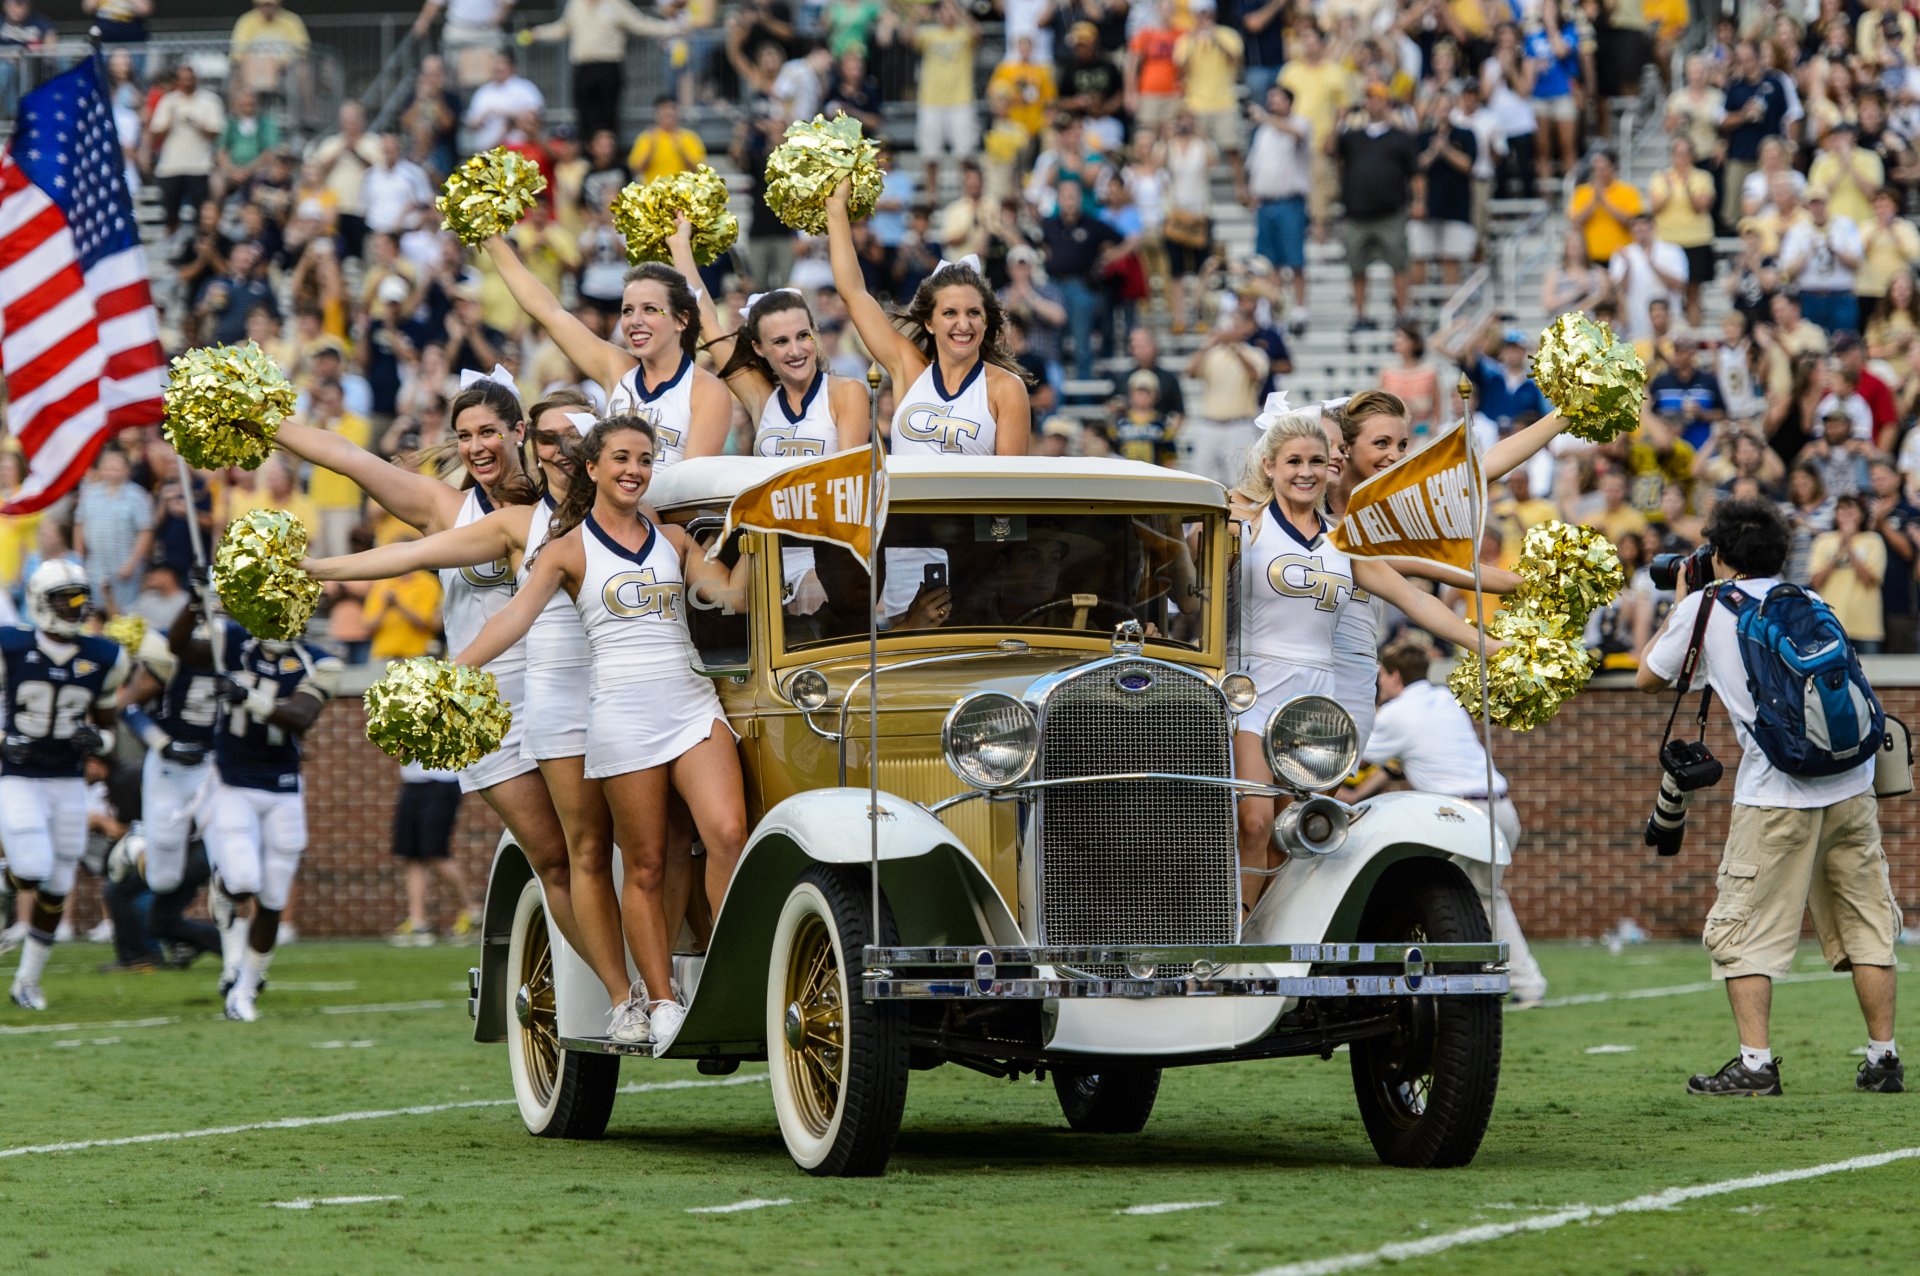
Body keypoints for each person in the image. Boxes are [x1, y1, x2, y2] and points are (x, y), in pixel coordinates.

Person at [303, 395, 641, 1024]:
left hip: (572, 695)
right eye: (464, 435)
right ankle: (620, 989)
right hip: (486, 709)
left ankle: (651, 975)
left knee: (612, 849)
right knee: (554, 859)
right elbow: (353, 466)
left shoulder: (582, 505)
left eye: (490, 431)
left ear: (520, 433)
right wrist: (262, 421)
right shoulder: (453, 509)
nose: (478, 445)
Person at [454, 416, 750, 1054]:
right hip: (619, 714)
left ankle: (736, 978)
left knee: (727, 834)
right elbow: (513, 618)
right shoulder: (564, 550)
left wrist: (759, 542)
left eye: (644, 460)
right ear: (592, 468)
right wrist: (453, 671)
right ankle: (659, 998)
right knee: (643, 864)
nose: (634, 470)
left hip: (692, 703)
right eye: (620, 458)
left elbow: (728, 597)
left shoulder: (673, 538)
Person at [1638, 498, 1903, 1095]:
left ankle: (1755, 1066)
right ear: (1782, 552)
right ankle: (1883, 1060)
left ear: (1720, 555)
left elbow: (1648, 677)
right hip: (1851, 786)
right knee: (1867, 923)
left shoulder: (1706, 608)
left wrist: (1682, 599)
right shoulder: (1810, 601)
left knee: (1746, 930)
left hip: (1775, 793)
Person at [1230, 407, 1498, 906]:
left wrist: (1488, 644)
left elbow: (1416, 599)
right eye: (1292, 461)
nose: (1305, 471)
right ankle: (1237, 938)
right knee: (1254, 819)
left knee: (1296, 829)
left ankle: (1272, 937)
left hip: (1318, 701)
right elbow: (1182, 563)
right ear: (1269, 466)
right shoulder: (1242, 524)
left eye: (1315, 460)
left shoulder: (1343, 541)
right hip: (1255, 694)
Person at [1352, 639, 1548, 1005]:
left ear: (1394, 676)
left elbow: (1353, 757)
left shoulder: (1396, 714)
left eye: (1381, 675)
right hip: (1501, 810)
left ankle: (1460, 986)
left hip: (1462, 816)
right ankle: (1526, 984)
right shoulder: (1444, 699)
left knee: (1442, 898)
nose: (1379, 683)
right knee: (1489, 899)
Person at [171, 598, 339, 1022]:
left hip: (282, 787)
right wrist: (192, 607)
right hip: (232, 781)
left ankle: (244, 989)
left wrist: (248, 697)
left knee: (273, 897)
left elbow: (301, 716)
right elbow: (180, 647)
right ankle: (225, 889)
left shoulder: (319, 661)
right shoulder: (232, 641)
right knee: (244, 880)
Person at [826, 179, 1032, 460]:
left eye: (973, 313)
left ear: (986, 321)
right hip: (902, 505)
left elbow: (1010, 488)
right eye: (950, 313)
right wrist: (836, 210)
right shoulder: (909, 369)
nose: (963, 324)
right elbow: (853, 293)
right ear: (929, 323)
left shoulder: (1006, 387)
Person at [484, 232, 730, 467]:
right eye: (627, 310)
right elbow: (548, 312)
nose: (635, 320)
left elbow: (689, 491)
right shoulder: (618, 368)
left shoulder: (705, 390)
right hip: (609, 509)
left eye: (650, 309)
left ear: (681, 320)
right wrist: (493, 242)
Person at [1, 563, 129, 1010]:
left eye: (79, 598)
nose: (74, 608)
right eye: (64, 598)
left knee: (56, 885)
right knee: (33, 865)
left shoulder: (103, 656)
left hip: (68, 779)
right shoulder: (11, 646)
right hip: (18, 776)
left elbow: (110, 732)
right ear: (40, 600)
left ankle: (27, 981)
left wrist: (99, 740)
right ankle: (5, 887)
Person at [522, 0, 678, 147]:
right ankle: (588, 160)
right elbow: (562, 28)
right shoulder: (576, 4)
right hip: (583, 69)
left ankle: (609, 161)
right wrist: (536, 34)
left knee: (607, 119)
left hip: (608, 68)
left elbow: (640, 24)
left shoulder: (616, 4)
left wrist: (673, 28)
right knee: (584, 117)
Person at [1335, 84, 1418, 328]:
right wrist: (1338, 121)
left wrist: (1419, 202)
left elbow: (1415, 172)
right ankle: (1360, 315)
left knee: (1399, 265)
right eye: (1369, 98)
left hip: (1391, 212)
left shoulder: (1400, 136)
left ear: (1387, 103)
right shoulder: (1351, 136)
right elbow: (1331, 151)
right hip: (1357, 213)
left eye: (1378, 98)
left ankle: (1401, 313)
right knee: (1357, 266)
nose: (1373, 103)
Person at [388, 760, 475, 945]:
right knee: (412, 855)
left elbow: (401, 751)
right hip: (413, 785)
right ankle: (418, 923)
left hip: (440, 785)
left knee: (436, 853)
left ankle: (472, 913)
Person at [70, 448, 152, 618]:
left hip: (124, 570)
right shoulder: (89, 494)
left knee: (124, 616)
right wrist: (79, 558)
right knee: (95, 615)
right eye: (108, 462)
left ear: (127, 469)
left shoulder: (137, 496)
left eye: (117, 463)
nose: (112, 466)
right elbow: (79, 525)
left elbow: (146, 531)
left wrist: (132, 563)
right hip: (95, 568)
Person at [148, 63, 225, 237]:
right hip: (171, 166)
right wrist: (171, 120)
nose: (186, 83)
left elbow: (215, 133)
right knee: (170, 212)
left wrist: (195, 123)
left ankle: (200, 247)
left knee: (201, 213)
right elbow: (156, 135)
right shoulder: (168, 101)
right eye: (182, 80)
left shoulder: (209, 100)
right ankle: (171, 243)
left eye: (189, 79)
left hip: (199, 166)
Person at [1809, 494, 1889, 651]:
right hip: (1830, 625)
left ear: (1862, 514)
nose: (1846, 514)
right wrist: (1839, 550)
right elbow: (1816, 582)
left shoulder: (1873, 540)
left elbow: (1870, 580)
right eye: (1841, 510)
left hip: (1866, 626)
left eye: (1851, 509)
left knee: (1870, 674)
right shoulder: (1823, 541)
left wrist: (1849, 546)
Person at [1568, 148, 1644, 267]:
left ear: (1613, 168)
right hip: (1591, 258)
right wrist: (1593, 202)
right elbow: (1575, 223)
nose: (1598, 174)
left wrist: (1604, 201)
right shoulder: (1582, 192)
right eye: (1595, 170)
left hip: (1621, 257)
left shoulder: (1628, 192)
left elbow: (1631, 223)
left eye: (1603, 169)